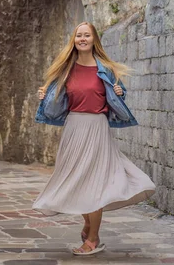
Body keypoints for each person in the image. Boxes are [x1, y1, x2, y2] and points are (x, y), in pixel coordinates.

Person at [32, 21, 156, 256]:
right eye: (79, 35)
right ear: (74, 40)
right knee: (78, 179)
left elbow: (117, 93)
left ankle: (94, 237)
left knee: (95, 181)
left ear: (93, 39)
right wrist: (43, 94)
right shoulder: (66, 69)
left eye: (87, 35)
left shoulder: (105, 68)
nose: (82, 38)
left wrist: (121, 92)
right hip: (73, 128)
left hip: (97, 128)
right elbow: (51, 94)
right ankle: (88, 223)